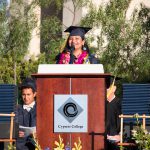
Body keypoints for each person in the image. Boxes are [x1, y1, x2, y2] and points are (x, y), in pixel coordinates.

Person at [16, 78, 37, 150]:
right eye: (23, 95)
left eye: (28, 94)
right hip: (20, 147)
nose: (26, 98)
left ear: (34, 94)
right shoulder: (16, 110)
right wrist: (14, 133)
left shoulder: (41, 110)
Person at [106, 76, 122, 150]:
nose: (106, 90)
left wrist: (119, 135)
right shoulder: (103, 103)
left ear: (114, 88)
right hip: (103, 138)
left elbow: (120, 122)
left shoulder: (118, 103)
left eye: (108, 88)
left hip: (114, 139)